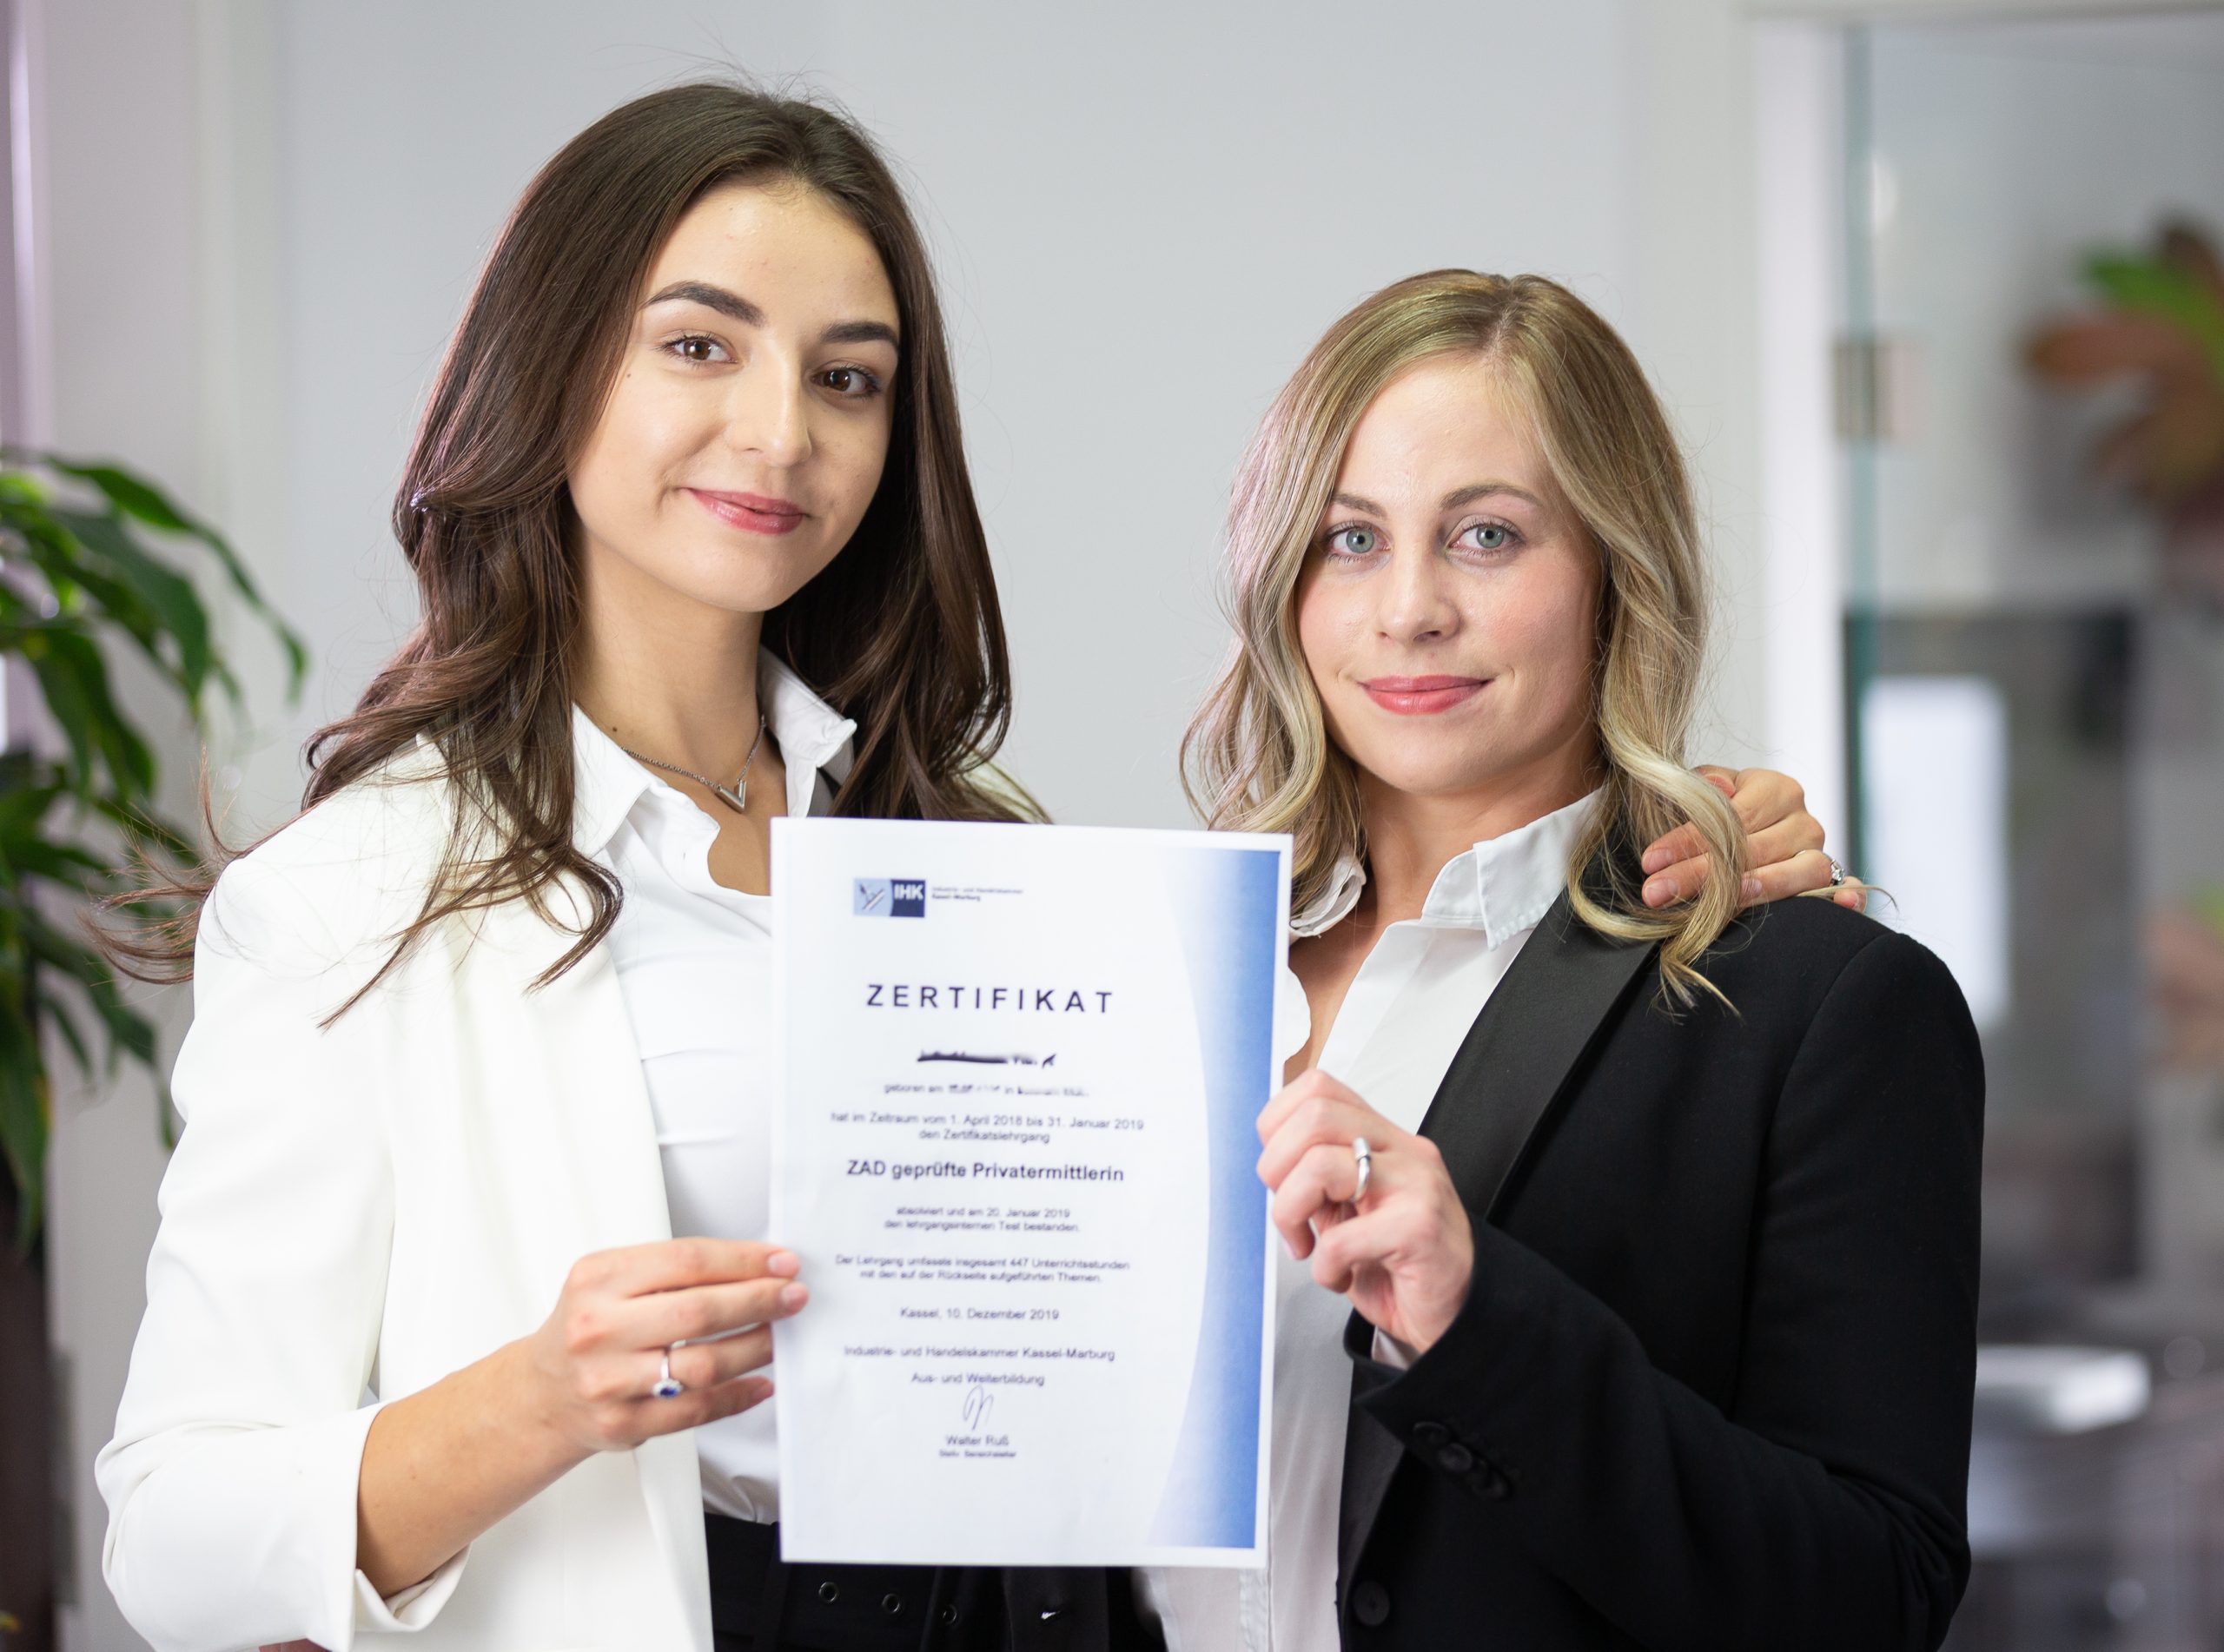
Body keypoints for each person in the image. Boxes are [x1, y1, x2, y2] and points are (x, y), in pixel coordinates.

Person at [95, 86, 1853, 1652]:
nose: (781, 432)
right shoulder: (354, 901)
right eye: (698, 345)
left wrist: (1661, 835)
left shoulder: (972, 858)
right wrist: (537, 1399)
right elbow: (172, 1540)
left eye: (846, 377)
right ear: (548, 368)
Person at [1150, 270, 1982, 1652]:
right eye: (1350, 538)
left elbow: (1872, 1597)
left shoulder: (1816, 1005)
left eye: (1487, 534)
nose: (1409, 608)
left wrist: (1483, 1317)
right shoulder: (1166, 970)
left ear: (1616, 569)